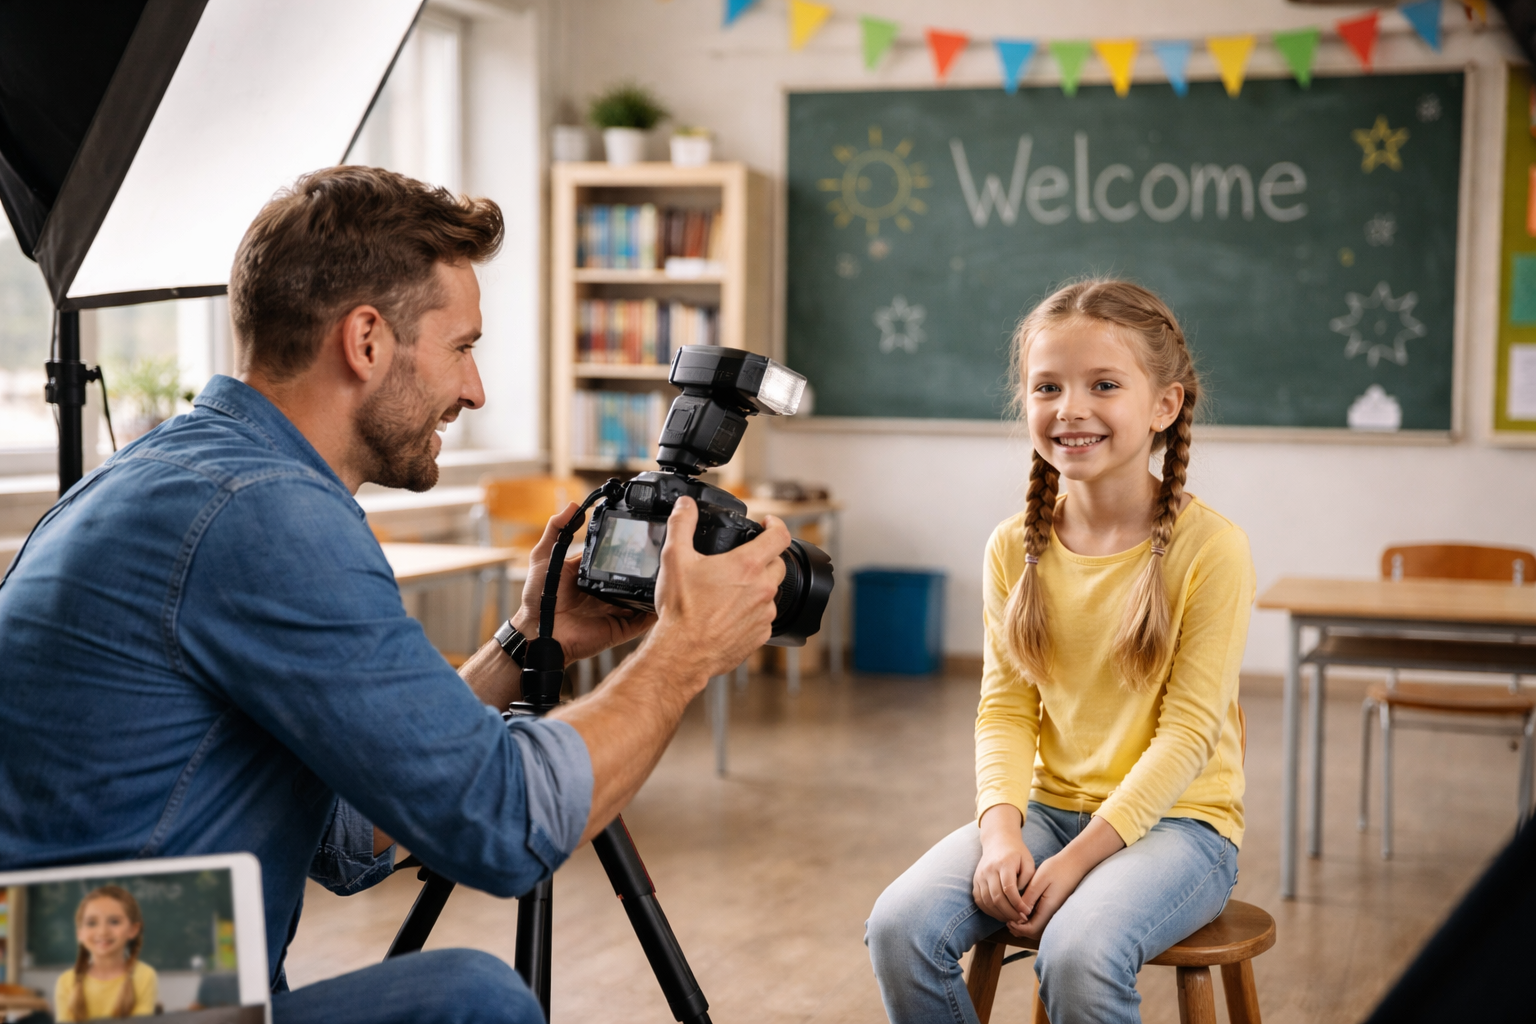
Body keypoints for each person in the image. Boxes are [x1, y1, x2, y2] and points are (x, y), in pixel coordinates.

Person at [0, 165, 790, 1024]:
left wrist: (526, 641)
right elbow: (504, 828)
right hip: (97, 1001)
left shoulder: (181, 475)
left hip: (91, 978)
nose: (475, 390)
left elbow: (347, 837)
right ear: (367, 340)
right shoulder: (265, 517)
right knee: (474, 1001)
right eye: (462, 348)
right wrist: (683, 651)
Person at [866, 279, 1255, 1024]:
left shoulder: (1213, 549)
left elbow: (1187, 737)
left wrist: (1074, 865)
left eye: (1104, 384)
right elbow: (1005, 710)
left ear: (1164, 406)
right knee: (899, 927)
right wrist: (1001, 833)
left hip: (1183, 826)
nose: (1071, 408)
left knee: (1077, 954)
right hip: (1049, 810)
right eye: (1048, 386)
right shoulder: (1014, 546)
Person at [54, 886, 158, 1020]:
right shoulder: (66, 982)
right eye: (91, 923)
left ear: (133, 929)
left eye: (114, 922)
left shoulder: (145, 976)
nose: (103, 931)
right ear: (79, 933)